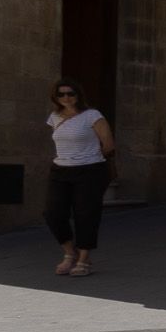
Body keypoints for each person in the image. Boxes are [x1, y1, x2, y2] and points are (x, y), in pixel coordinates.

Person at [44, 79, 115, 277]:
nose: (66, 97)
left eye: (70, 93)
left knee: (86, 214)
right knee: (52, 213)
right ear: (55, 97)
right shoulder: (54, 117)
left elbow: (108, 144)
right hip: (60, 169)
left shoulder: (92, 115)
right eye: (61, 94)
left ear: (78, 95)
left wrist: (89, 157)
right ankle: (69, 253)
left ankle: (84, 259)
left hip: (89, 170)